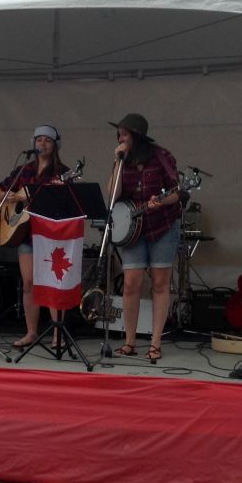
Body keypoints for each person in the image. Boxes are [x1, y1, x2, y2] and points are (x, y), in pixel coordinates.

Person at [107, 113, 182, 362]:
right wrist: (117, 162)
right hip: (133, 229)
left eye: (125, 134)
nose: (121, 139)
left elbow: (177, 192)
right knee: (131, 283)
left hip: (162, 225)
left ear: (136, 136)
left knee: (160, 283)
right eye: (119, 134)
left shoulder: (161, 156)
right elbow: (113, 194)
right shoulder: (122, 160)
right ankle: (129, 341)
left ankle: (155, 342)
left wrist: (160, 202)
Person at [0, 124, 69, 348]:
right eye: (38, 139)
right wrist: (11, 197)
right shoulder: (24, 170)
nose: (42, 143)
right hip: (26, 233)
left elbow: (66, 201)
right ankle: (31, 332)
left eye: (47, 140)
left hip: (50, 234)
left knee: (52, 283)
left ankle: (57, 333)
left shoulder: (61, 172)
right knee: (28, 283)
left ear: (55, 145)